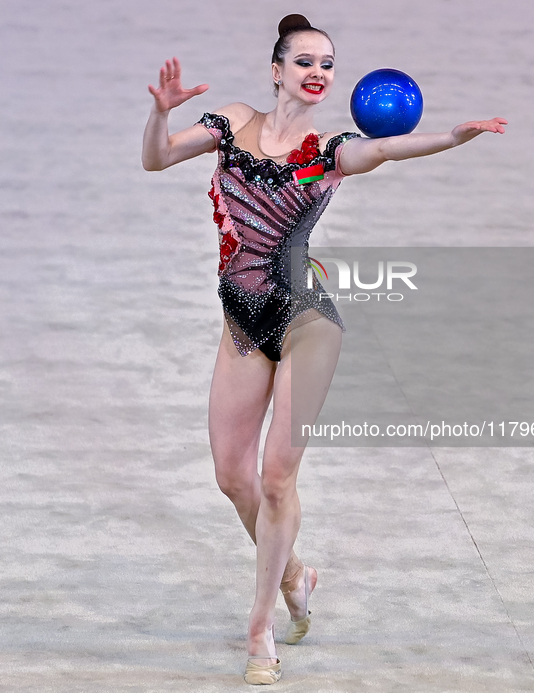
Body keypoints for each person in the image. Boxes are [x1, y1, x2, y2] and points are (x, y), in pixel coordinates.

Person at [142, 13, 507, 685]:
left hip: (306, 319)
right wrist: (160, 116)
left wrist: (450, 138)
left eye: (328, 64)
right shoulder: (227, 124)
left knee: (277, 474)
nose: (318, 72)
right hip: (242, 317)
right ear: (276, 70)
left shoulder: (328, 148)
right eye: (305, 61)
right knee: (231, 475)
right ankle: (294, 573)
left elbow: (383, 151)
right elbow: (156, 158)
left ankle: (261, 626)